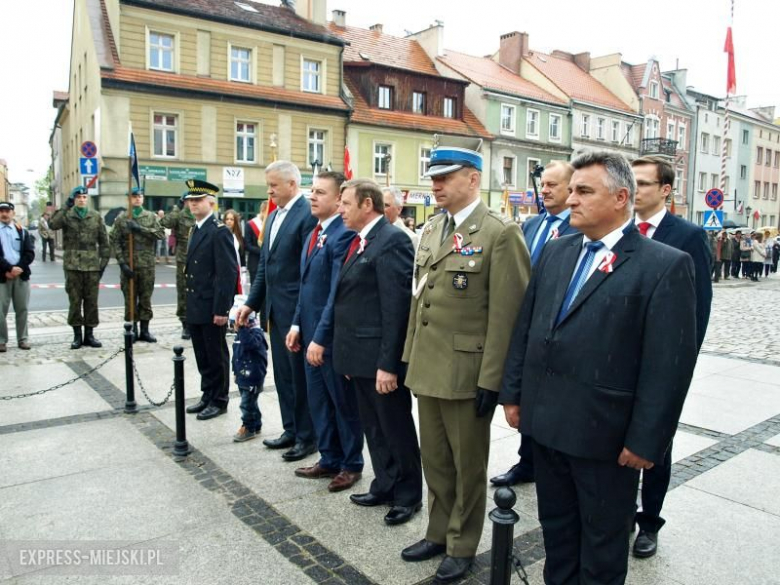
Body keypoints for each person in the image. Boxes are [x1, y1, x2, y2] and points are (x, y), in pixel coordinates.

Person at [499, 151, 698, 585]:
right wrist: (513, 394)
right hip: (548, 427)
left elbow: (668, 366)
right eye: (571, 190)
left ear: (621, 197)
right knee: (558, 535)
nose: (571, 199)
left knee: (602, 547)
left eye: (584, 191)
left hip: (606, 438)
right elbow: (527, 327)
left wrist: (647, 440)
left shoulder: (663, 265)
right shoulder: (556, 251)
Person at [400, 138, 530, 582]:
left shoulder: (499, 233)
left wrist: (493, 380)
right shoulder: (432, 228)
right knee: (435, 460)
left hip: (467, 372)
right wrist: (409, 355)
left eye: (445, 177)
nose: (435, 185)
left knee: (467, 466)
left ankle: (461, 544)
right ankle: (437, 531)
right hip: (428, 366)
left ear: (473, 179)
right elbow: (419, 300)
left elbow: (507, 316)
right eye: (433, 178)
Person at [630, 155, 712, 558]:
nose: (635, 190)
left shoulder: (688, 236)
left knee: (655, 444)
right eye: (631, 182)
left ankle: (649, 521)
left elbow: (698, 309)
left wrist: (678, 369)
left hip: (660, 364)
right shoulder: (619, 230)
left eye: (643, 183)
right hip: (617, 361)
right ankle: (619, 512)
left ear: (665, 190)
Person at [333, 178, 422, 526]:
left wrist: (389, 364)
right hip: (359, 357)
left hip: (380, 360)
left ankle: (408, 495)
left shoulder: (392, 240)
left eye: (346, 203)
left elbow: (396, 308)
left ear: (367, 205)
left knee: (395, 428)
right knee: (374, 428)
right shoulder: (360, 240)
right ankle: (384, 484)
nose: (340, 209)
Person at [491, 159, 577, 489]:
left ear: (571, 188)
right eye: (543, 185)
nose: (545, 190)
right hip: (525, 324)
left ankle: (554, 464)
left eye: (553, 185)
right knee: (525, 393)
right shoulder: (532, 225)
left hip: (557, 327)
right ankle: (527, 462)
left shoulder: (578, 229)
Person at [286, 171, 364, 493]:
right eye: (312, 191)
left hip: (329, 340)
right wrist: (296, 324)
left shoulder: (343, 235)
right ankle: (329, 457)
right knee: (318, 401)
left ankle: (351, 464)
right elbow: (306, 287)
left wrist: (320, 337)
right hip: (309, 335)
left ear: (338, 199)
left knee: (341, 404)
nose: (312, 197)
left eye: (320, 192)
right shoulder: (313, 234)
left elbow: (335, 293)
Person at [237, 161, 318, 461]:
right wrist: (251, 303)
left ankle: (307, 437)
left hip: (296, 313)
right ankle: (290, 429)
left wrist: (299, 317)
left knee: (299, 377)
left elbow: (307, 272)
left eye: (273, 185)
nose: (269, 191)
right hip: (274, 311)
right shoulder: (273, 216)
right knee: (283, 375)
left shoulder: (307, 215)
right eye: (268, 185)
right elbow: (265, 268)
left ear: (292, 184)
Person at [182, 180, 239, 421]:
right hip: (196, 302)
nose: (193, 204)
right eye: (190, 201)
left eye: (198, 200)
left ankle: (219, 400)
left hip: (211, 305)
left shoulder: (219, 231)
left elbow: (227, 274)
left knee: (216, 355)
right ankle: (207, 394)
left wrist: (222, 309)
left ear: (211, 203)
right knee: (202, 354)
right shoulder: (195, 229)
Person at [49, 186, 110, 349]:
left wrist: (103, 264)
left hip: (92, 265)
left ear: (87, 199)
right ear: (74, 199)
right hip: (73, 265)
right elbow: (53, 224)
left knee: (91, 302)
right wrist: (65, 206)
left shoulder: (95, 216)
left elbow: (104, 241)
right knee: (75, 302)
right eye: (78, 197)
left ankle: (89, 335)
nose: (82, 200)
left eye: (84, 197)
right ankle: (77, 336)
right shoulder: (67, 215)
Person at [110, 187, 165, 342]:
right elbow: (114, 240)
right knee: (130, 299)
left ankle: (145, 330)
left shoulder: (151, 216)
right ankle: (132, 329)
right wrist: (122, 263)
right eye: (134, 196)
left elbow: (160, 234)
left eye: (140, 196)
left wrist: (140, 229)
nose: (137, 199)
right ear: (129, 199)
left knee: (145, 298)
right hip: (129, 264)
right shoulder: (122, 218)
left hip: (146, 264)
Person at [160, 195, 197, 339]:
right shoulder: (179, 215)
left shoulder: (199, 215)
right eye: (188, 200)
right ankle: (185, 325)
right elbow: (164, 223)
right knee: (183, 292)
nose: (192, 203)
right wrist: (176, 209)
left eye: (194, 200)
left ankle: (198, 322)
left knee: (199, 291)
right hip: (184, 259)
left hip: (200, 257)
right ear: (184, 202)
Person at [0, 201, 35, 352]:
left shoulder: (22, 231)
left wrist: (19, 267)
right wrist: (8, 269)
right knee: (0, 311)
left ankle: (23, 339)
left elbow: (29, 253)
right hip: (2, 276)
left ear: (12, 213)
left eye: (7, 211)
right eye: (1, 211)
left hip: (21, 276)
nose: (4, 214)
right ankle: (1, 340)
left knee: (22, 309)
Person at [231, 310, 268, 441]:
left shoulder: (255, 334)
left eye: (235, 324)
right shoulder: (241, 335)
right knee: (251, 402)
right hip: (242, 375)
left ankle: (248, 427)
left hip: (253, 376)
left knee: (246, 404)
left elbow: (249, 345)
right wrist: (235, 372)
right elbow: (236, 356)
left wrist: (242, 329)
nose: (234, 327)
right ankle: (256, 423)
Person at [245, 201, 267, 286]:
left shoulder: (270, 223)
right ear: (262, 210)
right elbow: (248, 245)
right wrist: (263, 251)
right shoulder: (250, 224)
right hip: (255, 263)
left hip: (268, 264)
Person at [223, 209, 246, 294]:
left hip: (236, 271)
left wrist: (243, 273)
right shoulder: (219, 236)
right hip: (223, 271)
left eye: (231, 219)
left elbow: (242, 256)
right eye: (227, 219)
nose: (229, 221)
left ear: (235, 222)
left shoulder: (240, 238)